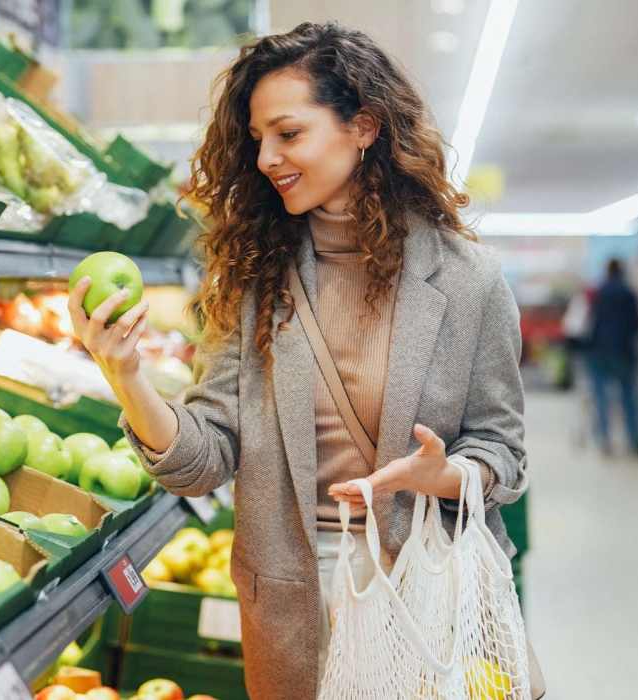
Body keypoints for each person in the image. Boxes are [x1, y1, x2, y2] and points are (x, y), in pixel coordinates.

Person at [68, 22, 528, 699]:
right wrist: (127, 377)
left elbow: (503, 451)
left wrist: (449, 473)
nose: (265, 158)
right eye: (257, 139)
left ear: (363, 126)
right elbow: (203, 461)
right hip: (291, 596)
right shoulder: (252, 278)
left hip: (423, 586)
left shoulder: (468, 280)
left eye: (288, 134)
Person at [586, 258, 638, 455]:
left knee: (601, 398)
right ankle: (634, 440)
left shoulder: (599, 292)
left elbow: (592, 320)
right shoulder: (629, 293)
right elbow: (636, 324)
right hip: (623, 352)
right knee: (628, 397)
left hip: (600, 351)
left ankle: (605, 440)